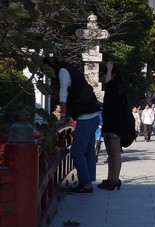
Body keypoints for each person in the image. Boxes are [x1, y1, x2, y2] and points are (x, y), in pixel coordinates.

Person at [57, 57, 101, 194]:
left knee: (77, 151)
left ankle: (86, 184)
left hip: (85, 117)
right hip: (94, 114)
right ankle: (88, 179)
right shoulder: (73, 70)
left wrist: (62, 117)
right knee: (88, 149)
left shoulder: (63, 71)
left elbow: (63, 95)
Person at [97, 60, 133, 190]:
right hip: (110, 122)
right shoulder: (117, 88)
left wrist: (109, 69)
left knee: (115, 153)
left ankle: (115, 179)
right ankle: (110, 179)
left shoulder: (117, 86)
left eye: (108, 74)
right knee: (111, 154)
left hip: (115, 123)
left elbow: (109, 85)